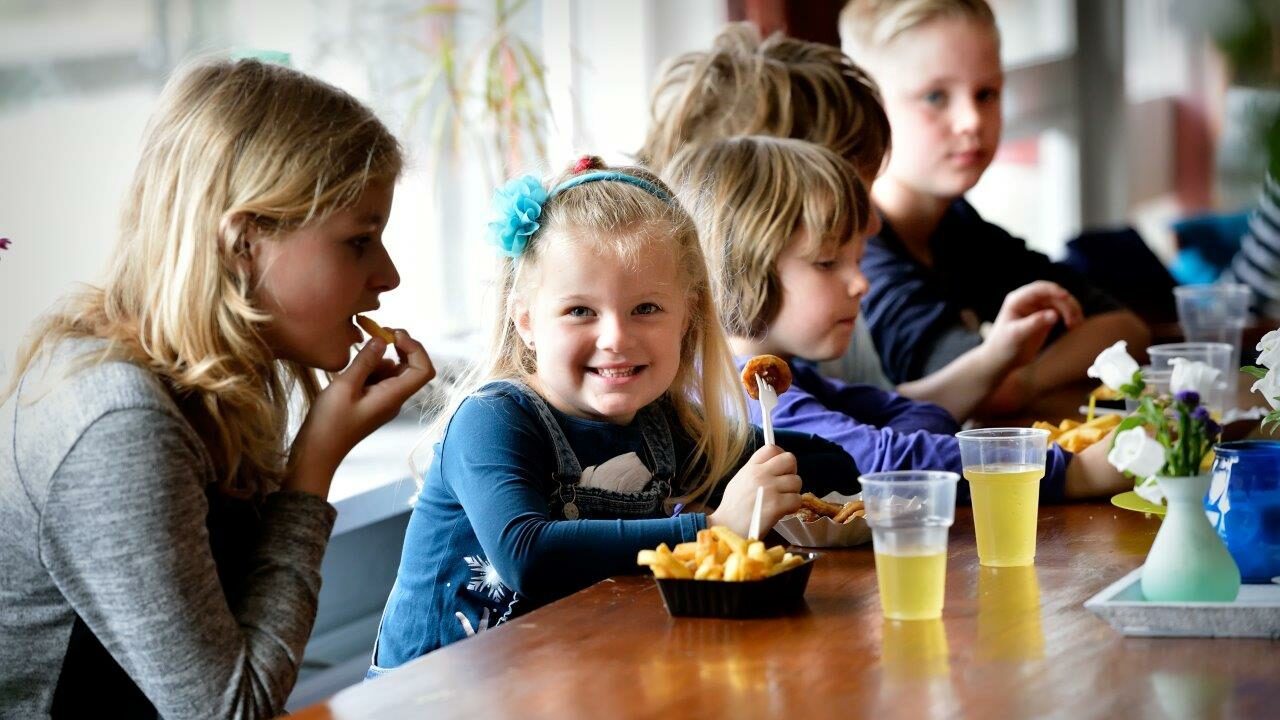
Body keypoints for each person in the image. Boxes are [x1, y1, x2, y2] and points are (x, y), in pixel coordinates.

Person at [0, 58, 434, 718]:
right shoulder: (117, 422)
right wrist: (313, 464)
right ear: (243, 242)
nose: (389, 275)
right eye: (359, 241)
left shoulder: (209, 380)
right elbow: (233, 711)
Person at [368, 156, 858, 668]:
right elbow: (527, 556)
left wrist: (785, 471)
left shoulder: (657, 428)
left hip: (565, 680)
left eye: (646, 309)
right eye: (580, 311)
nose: (616, 338)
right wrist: (714, 528)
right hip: (434, 697)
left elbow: (825, 464)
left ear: (686, 319)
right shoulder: (494, 420)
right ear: (527, 322)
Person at [640, 21, 1071, 421]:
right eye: (849, 195)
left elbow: (882, 415)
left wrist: (994, 358)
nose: (872, 223)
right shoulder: (685, 353)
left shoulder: (833, 302)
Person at [666, 135, 1128, 501]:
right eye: (828, 263)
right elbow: (885, 461)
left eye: (858, 259)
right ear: (742, 267)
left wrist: (888, 445)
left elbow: (913, 417)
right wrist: (1072, 472)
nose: (860, 283)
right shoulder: (742, 394)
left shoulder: (787, 379)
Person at [839, 0, 1151, 412]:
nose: (972, 119)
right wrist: (1026, 382)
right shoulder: (860, 253)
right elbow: (985, 395)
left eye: (986, 93)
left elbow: (1124, 328)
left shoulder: (958, 226)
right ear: (868, 107)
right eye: (935, 96)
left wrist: (1027, 380)